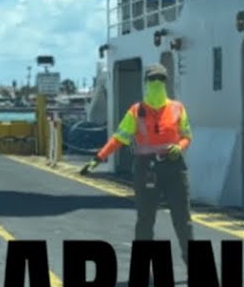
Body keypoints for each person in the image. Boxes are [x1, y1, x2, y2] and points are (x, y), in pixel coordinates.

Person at [82, 63, 194, 266]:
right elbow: (119, 138)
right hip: (146, 168)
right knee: (145, 220)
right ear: (146, 83)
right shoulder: (136, 111)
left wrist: (180, 146)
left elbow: (187, 135)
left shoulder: (178, 108)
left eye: (160, 80)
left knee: (183, 220)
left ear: (166, 83)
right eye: (153, 79)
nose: (157, 83)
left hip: (174, 167)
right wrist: (97, 159)